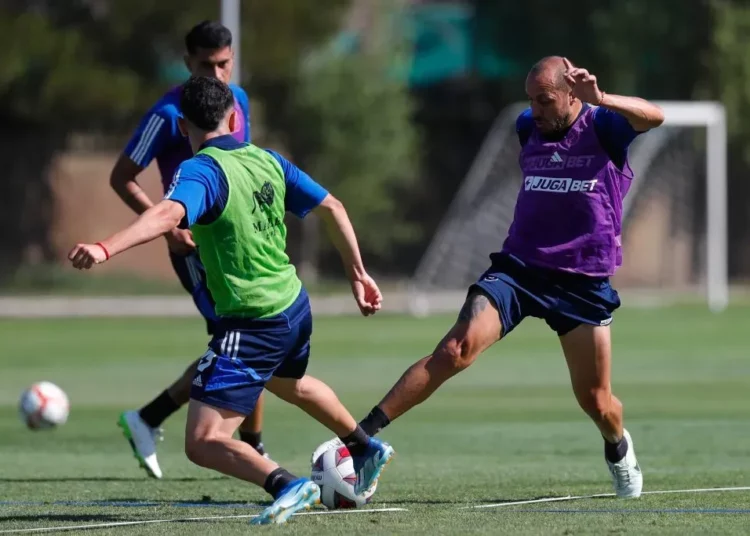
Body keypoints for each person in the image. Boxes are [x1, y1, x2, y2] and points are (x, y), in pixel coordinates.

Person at [313, 56, 665, 499]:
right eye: (531, 100)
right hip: (518, 270)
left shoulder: (605, 127)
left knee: (598, 403)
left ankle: (618, 447)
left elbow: (655, 116)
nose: (535, 109)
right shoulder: (527, 127)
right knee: (455, 349)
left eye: (545, 100)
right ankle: (361, 440)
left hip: (582, 282)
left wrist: (604, 99)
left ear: (572, 94)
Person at [69, 75, 395, 525]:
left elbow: (168, 213)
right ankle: (365, 445)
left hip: (253, 320)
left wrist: (106, 247)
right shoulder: (268, 160)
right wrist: (357, 273)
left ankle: (287, 484)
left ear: (182, 127)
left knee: (202, 441)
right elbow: (333, 208)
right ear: (235, 117)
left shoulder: (200, 170)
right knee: (290, 384)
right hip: (294, 305)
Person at [110, 20, 268, 479]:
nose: (217, 74)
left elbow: (242, 166)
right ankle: (254, 445)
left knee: (242, 343)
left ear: (232, 58)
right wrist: (167, 226)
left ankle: (149, 417)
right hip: (194, 251)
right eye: (206, 65)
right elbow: (121, 177)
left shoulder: (237, 102)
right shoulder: (166, 114)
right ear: (188, 63)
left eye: (224, 64)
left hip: (235, 245)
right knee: (245, 342)